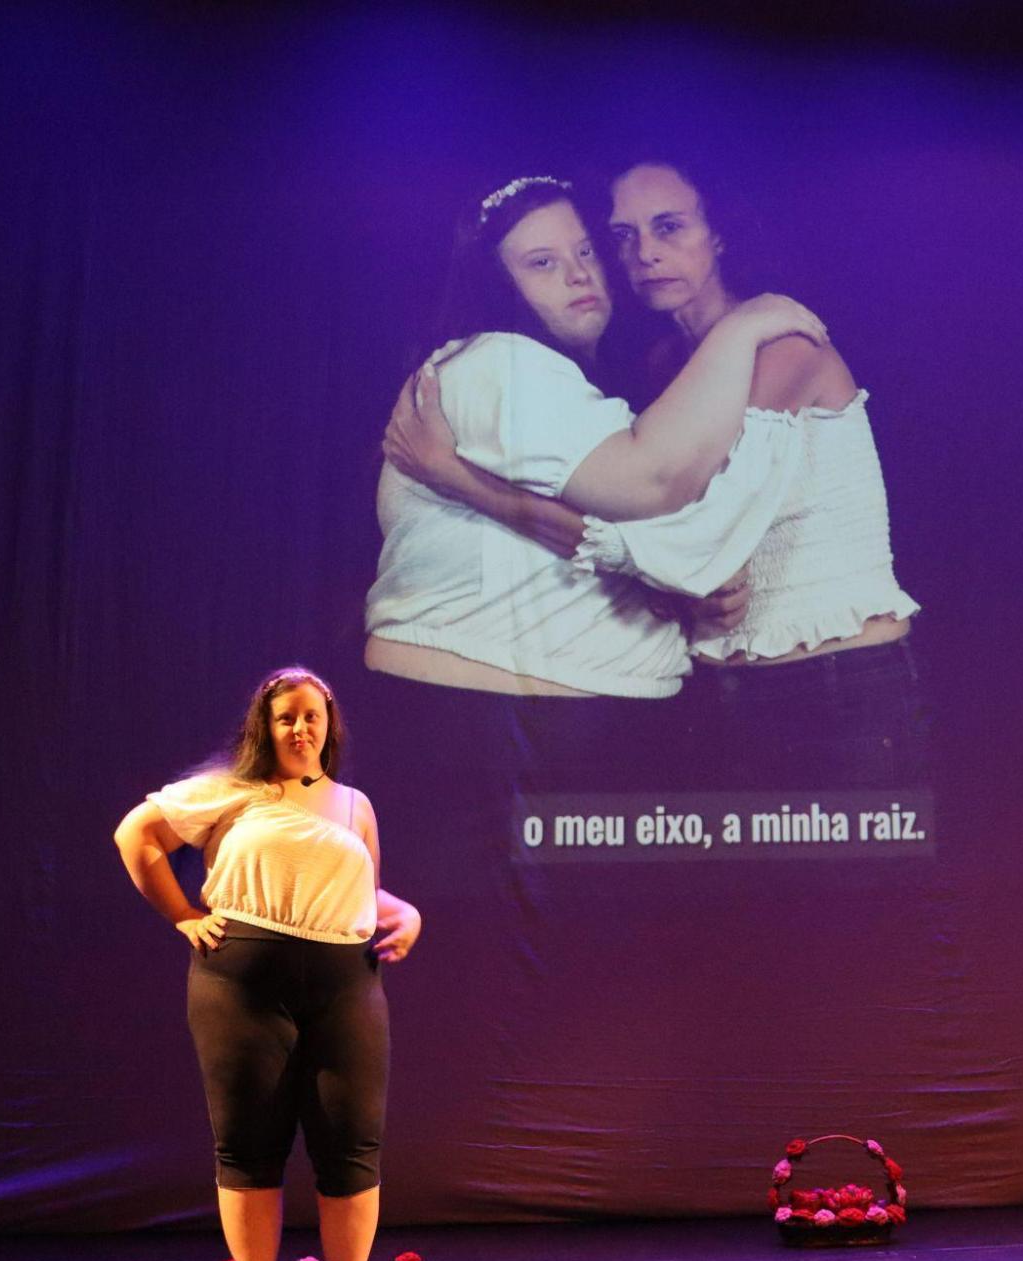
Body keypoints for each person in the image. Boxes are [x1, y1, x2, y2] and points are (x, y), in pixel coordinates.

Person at [384, 160, 926, 791]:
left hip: (840, 688)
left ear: (718, 234)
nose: (646, 254)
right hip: (718, 691)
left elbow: (688, 530)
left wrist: (462, 481)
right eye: (622, 236)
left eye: (669, 227)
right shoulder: (666, 366)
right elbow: (650, 550)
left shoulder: (783, 343)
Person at [114, 668, 421, 1261]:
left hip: (345, 984)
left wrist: (409, 913)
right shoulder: (228, 792)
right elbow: (134, 836)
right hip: (243, 985)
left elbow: (359, 892)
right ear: (266, 726)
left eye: (312, 716)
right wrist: (182, 915)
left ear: (329, 724)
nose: (300, 728)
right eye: (286, 717)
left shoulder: (353, 804)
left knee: (351, 1141)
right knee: (250, 1141)